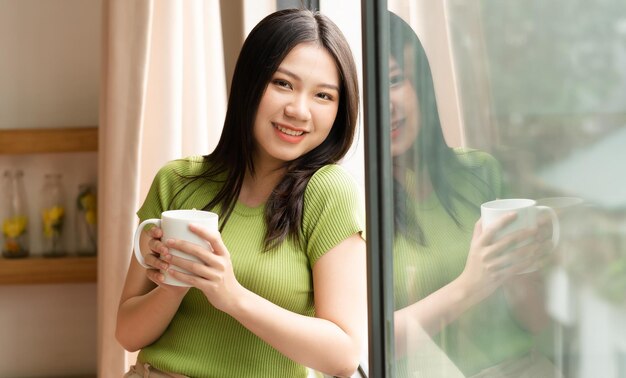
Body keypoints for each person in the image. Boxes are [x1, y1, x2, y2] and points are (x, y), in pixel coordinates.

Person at [116, 8, 366, 378]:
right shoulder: (177, 181)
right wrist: (175, 283)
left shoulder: (329, 193)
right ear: (250, 82)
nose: (298, 110)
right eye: (283, 83)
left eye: (323, 96)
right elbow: (127, 334)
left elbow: (343, 355)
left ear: (339, 109)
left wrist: (230, 295)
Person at [387, 12, 561, 377]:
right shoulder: (353, 202)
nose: (386, 105)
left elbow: (535, 319)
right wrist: (472, 283)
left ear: (420, 83)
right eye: (366, 92)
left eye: (394, 81)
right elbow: (370, 343)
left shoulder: (479, 171)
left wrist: (525, 259)